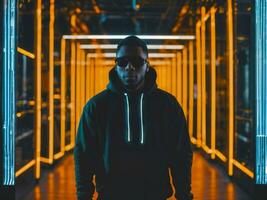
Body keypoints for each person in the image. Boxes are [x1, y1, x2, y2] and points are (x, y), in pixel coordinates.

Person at [74, 35, 193, 200]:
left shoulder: (167, 105)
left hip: (155, 195)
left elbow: (181, 153)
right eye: (122, 62)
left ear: (147, 66)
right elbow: (84, 155)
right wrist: (83, 196)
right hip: (111, 195)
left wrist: (184, 194)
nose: (129, 67)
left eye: (137, 62)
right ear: (115, 67)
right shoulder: (97, 106)